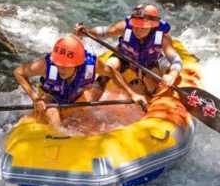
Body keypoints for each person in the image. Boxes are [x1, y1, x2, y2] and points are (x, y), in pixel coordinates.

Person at [14, 35, 147, 130]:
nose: (61, 69)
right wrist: (35, 98)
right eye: (59, 64)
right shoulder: (46, 64)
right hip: (52, 96)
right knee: (51, 107)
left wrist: (132, 94)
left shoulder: (91, 63)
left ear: (77, 64)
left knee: (98, 88)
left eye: (66, 66)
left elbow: (112, 72)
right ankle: (59, 135)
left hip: (76, 94)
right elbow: (18, 72)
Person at [75, 4, 183, 97]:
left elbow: (176, 59)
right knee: (109, 66)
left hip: (147, 63)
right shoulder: (125, 27)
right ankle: (92, 101)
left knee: (152, 84)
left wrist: (172, 75)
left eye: (143, 27)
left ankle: (146, 99)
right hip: (124, 57)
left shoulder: (163, 38)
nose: (138, 30)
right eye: (135, 25)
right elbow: (104, 31)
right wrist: (86, 31)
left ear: (152, 26)